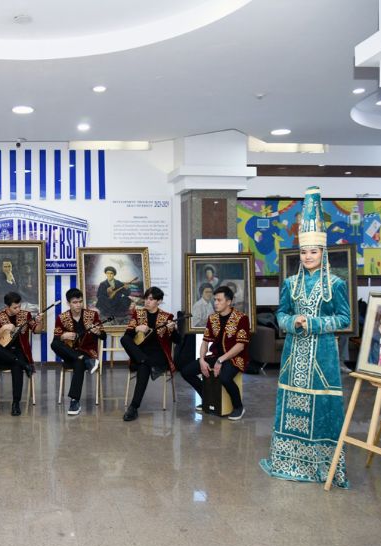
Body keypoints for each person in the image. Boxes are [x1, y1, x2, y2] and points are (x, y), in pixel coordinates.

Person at [260, 186, 351, 488]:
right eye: (303, 252)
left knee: (322, 408)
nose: (308, 256)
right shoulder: (290, 283)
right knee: (291, 405)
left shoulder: (336, 284)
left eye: (313, 251)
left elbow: (345, 319)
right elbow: (281, 314)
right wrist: (291, 322)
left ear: (323, 253)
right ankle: (289, 461)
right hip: (293, 355)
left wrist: (312, 323)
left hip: (322, 359)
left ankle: (323, 466)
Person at [180, 285, 250, 420]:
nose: (215, 303)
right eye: (215, 300)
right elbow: (205, 342)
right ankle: (207, 398)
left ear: (228, 302)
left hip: (236, 358)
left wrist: (221, 360)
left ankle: (238, 407)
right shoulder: (212, 318)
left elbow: (240, 346)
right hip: (216, 356)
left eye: (219, 300)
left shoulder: (241, 318)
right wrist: (201, 359)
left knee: (225, 377)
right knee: (186, 371)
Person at [120, 287, 179, 421]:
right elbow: (127, 335)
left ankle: (133, 407)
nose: (147, 301)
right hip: (141, 354)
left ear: (159, 301)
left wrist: (173, 330)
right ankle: (145, 361)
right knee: (124, 340)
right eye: (146, 298)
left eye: (151, 299)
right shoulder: (138, 314)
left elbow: (178, 340)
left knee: (143, 366)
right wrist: (137, 328)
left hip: (159, 355)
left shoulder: (167, 317)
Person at [50, 288, 107, 415]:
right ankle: (87, 361)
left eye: (80, 301)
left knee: (79, 362)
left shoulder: (92, 315)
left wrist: (98, 332)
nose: (78, 305)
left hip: (88, 351)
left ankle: (74, 401)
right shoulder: (62, 318)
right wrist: (63, 336)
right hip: (70, 352)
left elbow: (104, 336)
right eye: (75, 302)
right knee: (54, 344)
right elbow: (56, 340)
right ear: (68, 303)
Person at [0, 292, 45, 416]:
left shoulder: (26, 315)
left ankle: (16, 403)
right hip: (3, 353)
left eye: (19, 306)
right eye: (15, 307)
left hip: (20, 352)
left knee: (16, 365)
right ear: (7, 307)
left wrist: (40, 322)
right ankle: (25, 366)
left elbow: (37, 330)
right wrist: (4, 328)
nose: (18, 309)